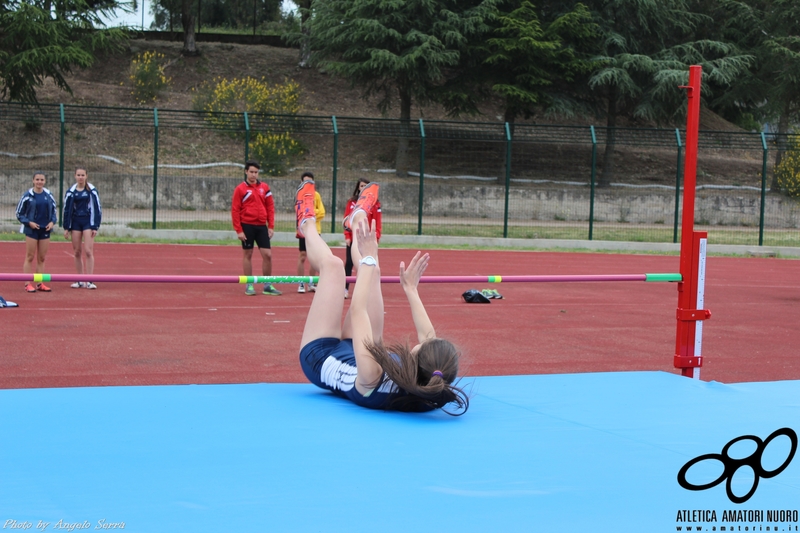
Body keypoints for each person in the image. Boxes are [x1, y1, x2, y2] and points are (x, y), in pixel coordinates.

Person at [295, 179, 469, 415]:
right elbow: (429, 341)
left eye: (420, 347)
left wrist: (368, 259)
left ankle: (306, 220)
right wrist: (410, 289)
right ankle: (357, 219)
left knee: (335, 266)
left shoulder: (372, 379)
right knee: (373, 271)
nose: (419, 343)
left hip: (320, 356)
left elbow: (358, 310)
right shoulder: (433, 387)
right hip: (357, 350)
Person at [231, 160, 281, 296]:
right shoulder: (240, 189)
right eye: (251, 172)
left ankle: (267, 284)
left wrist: (270, 226)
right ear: (246, 172)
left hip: (261, 226)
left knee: (268, 255)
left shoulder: (264, 187)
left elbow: (270, 207)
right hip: (247, 226)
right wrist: (239, 230)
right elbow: (235, 210)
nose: (254, 175)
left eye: (256, 172)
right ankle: (249, 284)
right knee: (248, 254)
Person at [16, 172, 58, 293]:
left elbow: (54, 212)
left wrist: (52, 222)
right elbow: (19, 213)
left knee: (42, 257)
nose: (39, 182)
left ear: (44, 181)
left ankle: (40, 283)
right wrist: (29, 223)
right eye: (37, 179)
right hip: (31, 229)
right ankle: (27, 283)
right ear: (33, 181)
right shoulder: (27, 195)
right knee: (30, 256)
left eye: (42, 180)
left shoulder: (49, 195)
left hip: (45, 229)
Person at [62, 167, 102, 289]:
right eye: (78, 175)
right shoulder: (71, 192)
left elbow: (97, 208)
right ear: (75, 176)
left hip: (87, 222)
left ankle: (89, 280)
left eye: (82, 175)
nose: (80, 177)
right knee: (77, 251)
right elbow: (66, 210)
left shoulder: (92, 190)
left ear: (86, 176)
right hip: (75, 223)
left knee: (88, 251)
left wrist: (95, 226)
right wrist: (66, 227)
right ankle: (79, 279)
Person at [343, 178, 382, 299]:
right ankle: (346, 288)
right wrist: (347, 236)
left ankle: (357, 218)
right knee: (372, 270)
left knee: (332, 265)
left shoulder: (376, 204)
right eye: (361, 186)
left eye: (365, 186)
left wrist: (375, 238)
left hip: (368, 235)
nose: (363, 188)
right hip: (356, 237)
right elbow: (345, 215)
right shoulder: (351, 202)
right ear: (358, 187)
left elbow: (378, 222)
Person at [295, 171, 325, 293]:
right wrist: (308, 216)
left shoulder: (316, 195)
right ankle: (301, 282)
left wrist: (310, 215)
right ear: (301, 182)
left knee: (315, 257)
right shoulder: (299, 196)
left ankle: (312, 282)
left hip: (316, 230)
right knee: (302, 256)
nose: (308, 183)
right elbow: (298, 212)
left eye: (310, 181)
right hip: (304, 231)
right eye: (305, 181)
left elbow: (322, 212)